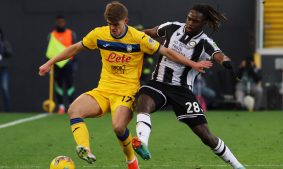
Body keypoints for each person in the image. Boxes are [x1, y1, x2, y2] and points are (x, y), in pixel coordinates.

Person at [39, 1, 212, 169]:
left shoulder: (138, 37)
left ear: (126, 21)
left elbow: (166, 51)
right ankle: (85, 149)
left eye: (116, 24)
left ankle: (131, 160)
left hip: (126, 92)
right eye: (109, 24)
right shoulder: (99, 34)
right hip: (103, 90)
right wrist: (50, 63)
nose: (113, 28)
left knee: (118, 127)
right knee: (74, 110)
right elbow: (74, 48)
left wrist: (193, 64)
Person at [132, 4, 245, 169]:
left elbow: (218, 54)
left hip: (182, 91)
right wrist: (128, 35)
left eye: (195, 21)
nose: (190, 23)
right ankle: (142, 143)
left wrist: (225, 62)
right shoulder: (171, 27)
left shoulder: (205, 42)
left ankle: (238, 166)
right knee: (143, 104)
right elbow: (149, 33)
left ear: (204, 22)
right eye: (189, 18)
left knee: (206, 136)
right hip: (158, 83)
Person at [47, 15, 77, 114]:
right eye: (59, 22)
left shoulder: (71, 33)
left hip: (68, 64)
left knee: (70, 86)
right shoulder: (52, 35)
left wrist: (75, 63)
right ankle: (61, 107)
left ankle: (71, 107)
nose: (61, 24)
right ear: (56, 22)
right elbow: (49, 51)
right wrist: (49, 65)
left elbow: (75, 49)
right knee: (58, 86)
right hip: (56, 65)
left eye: (62, 22)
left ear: (64, 22)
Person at [0, 28, 13, 112]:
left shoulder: (5, 43)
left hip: (3, 69)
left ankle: (8, 111)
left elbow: (10, 53)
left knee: (5, 88)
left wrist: (3, 50)